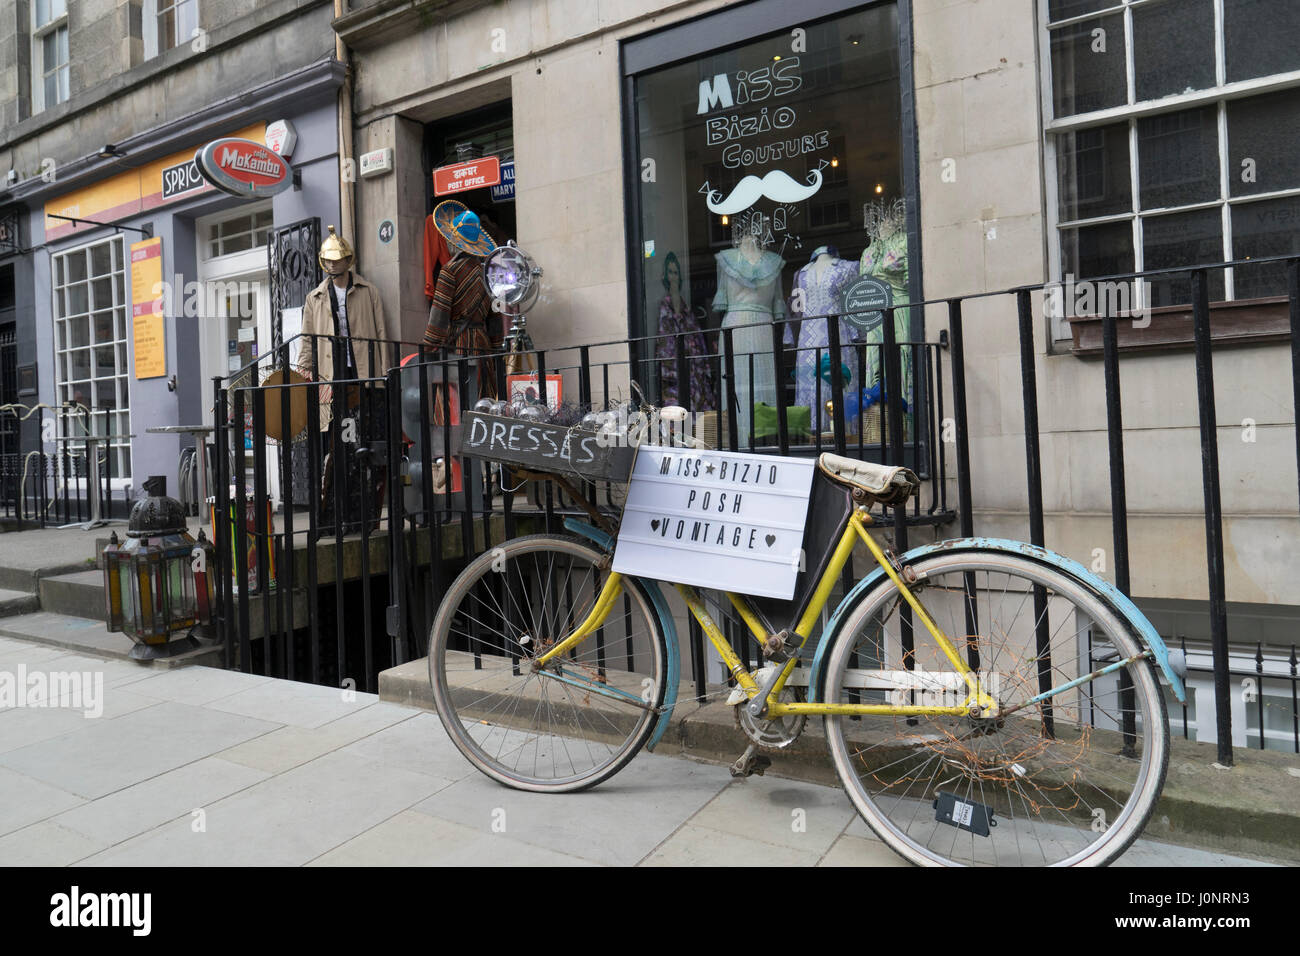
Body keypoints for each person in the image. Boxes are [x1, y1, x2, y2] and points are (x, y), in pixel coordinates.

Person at [296, 225, 391, 531]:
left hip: (363, 377)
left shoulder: (369, 291)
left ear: (349, 260)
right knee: (337, 449)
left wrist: (383, 377)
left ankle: (366, 516)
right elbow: (308, 339)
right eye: (329, 259)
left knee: (365, 445)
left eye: (339, 259)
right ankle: (335, 517)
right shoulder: (315, 297)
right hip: (331, 381)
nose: (333, 264)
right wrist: (305, 371)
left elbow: (380, 335)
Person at [423, 200, 503, 406]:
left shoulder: (450, 270)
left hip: (458, 346)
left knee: (455, 405)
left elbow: (438, 318)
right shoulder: (487, 271)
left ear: (454, 241)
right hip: (483, 346)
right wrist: (496, 350)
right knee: (483, 402)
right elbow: (495, 318)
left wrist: (429, 349)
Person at [655, 251, 715, 410]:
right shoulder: (664, 306)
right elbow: (664, 341)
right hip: (675, 372)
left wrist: (703, 365)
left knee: (701, 406)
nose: (673, 276)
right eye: (670, 272)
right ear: (665, 276)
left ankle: (699, 433)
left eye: (676, 272)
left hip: (694, 369)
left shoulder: (686, 308)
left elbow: (698, 337)